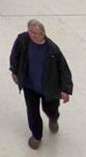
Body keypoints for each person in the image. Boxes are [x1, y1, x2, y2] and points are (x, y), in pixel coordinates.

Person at [10, 20, 72, 149]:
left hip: (48, 87)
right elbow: (15, 56)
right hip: (30, 85)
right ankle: (37, 136)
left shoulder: (52, 50)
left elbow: (64, 70)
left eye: (36, 33)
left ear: (43, 33)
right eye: (30, 32)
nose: (33, 35)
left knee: (50, 109)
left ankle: (53, 119)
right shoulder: (23, 40)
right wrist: (14, 71)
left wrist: (65, 89)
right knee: (32, 112)